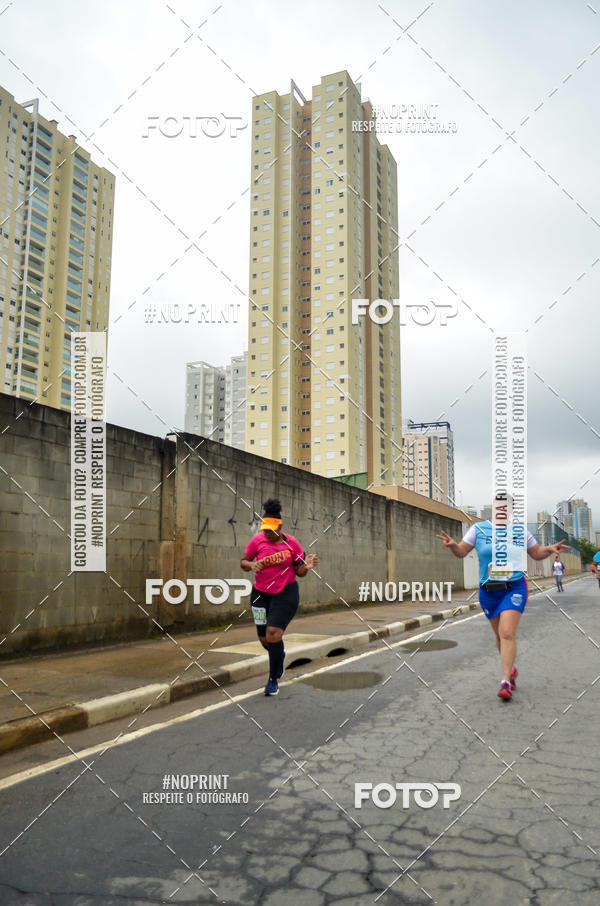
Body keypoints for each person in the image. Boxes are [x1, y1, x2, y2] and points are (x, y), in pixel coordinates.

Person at [436, 492, 569, 701]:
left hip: (514, 586)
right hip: (489, 591)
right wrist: (453, 545)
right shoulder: (478, 529)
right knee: (499, 636)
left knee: (507, 632)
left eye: (506, 505)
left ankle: (505, 680)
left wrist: (550, 549)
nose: (502, 509)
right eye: (499, 505)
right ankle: (512, 669)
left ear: (511, 509)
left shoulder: (519, 531)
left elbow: (536, 552)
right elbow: (462, 551)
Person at [241, 498, 318, 696]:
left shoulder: (292, 544)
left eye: (270, 530)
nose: (266, 533)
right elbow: (243, 561)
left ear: (280, 527)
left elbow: (299, 571)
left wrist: (306, 567)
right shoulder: (257, 541)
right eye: (264, 529)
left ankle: (273, 678)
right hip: (260, 594)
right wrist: (251, 566)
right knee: (264, 639)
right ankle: (279, 655)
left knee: (273, 633)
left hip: (285, 592)